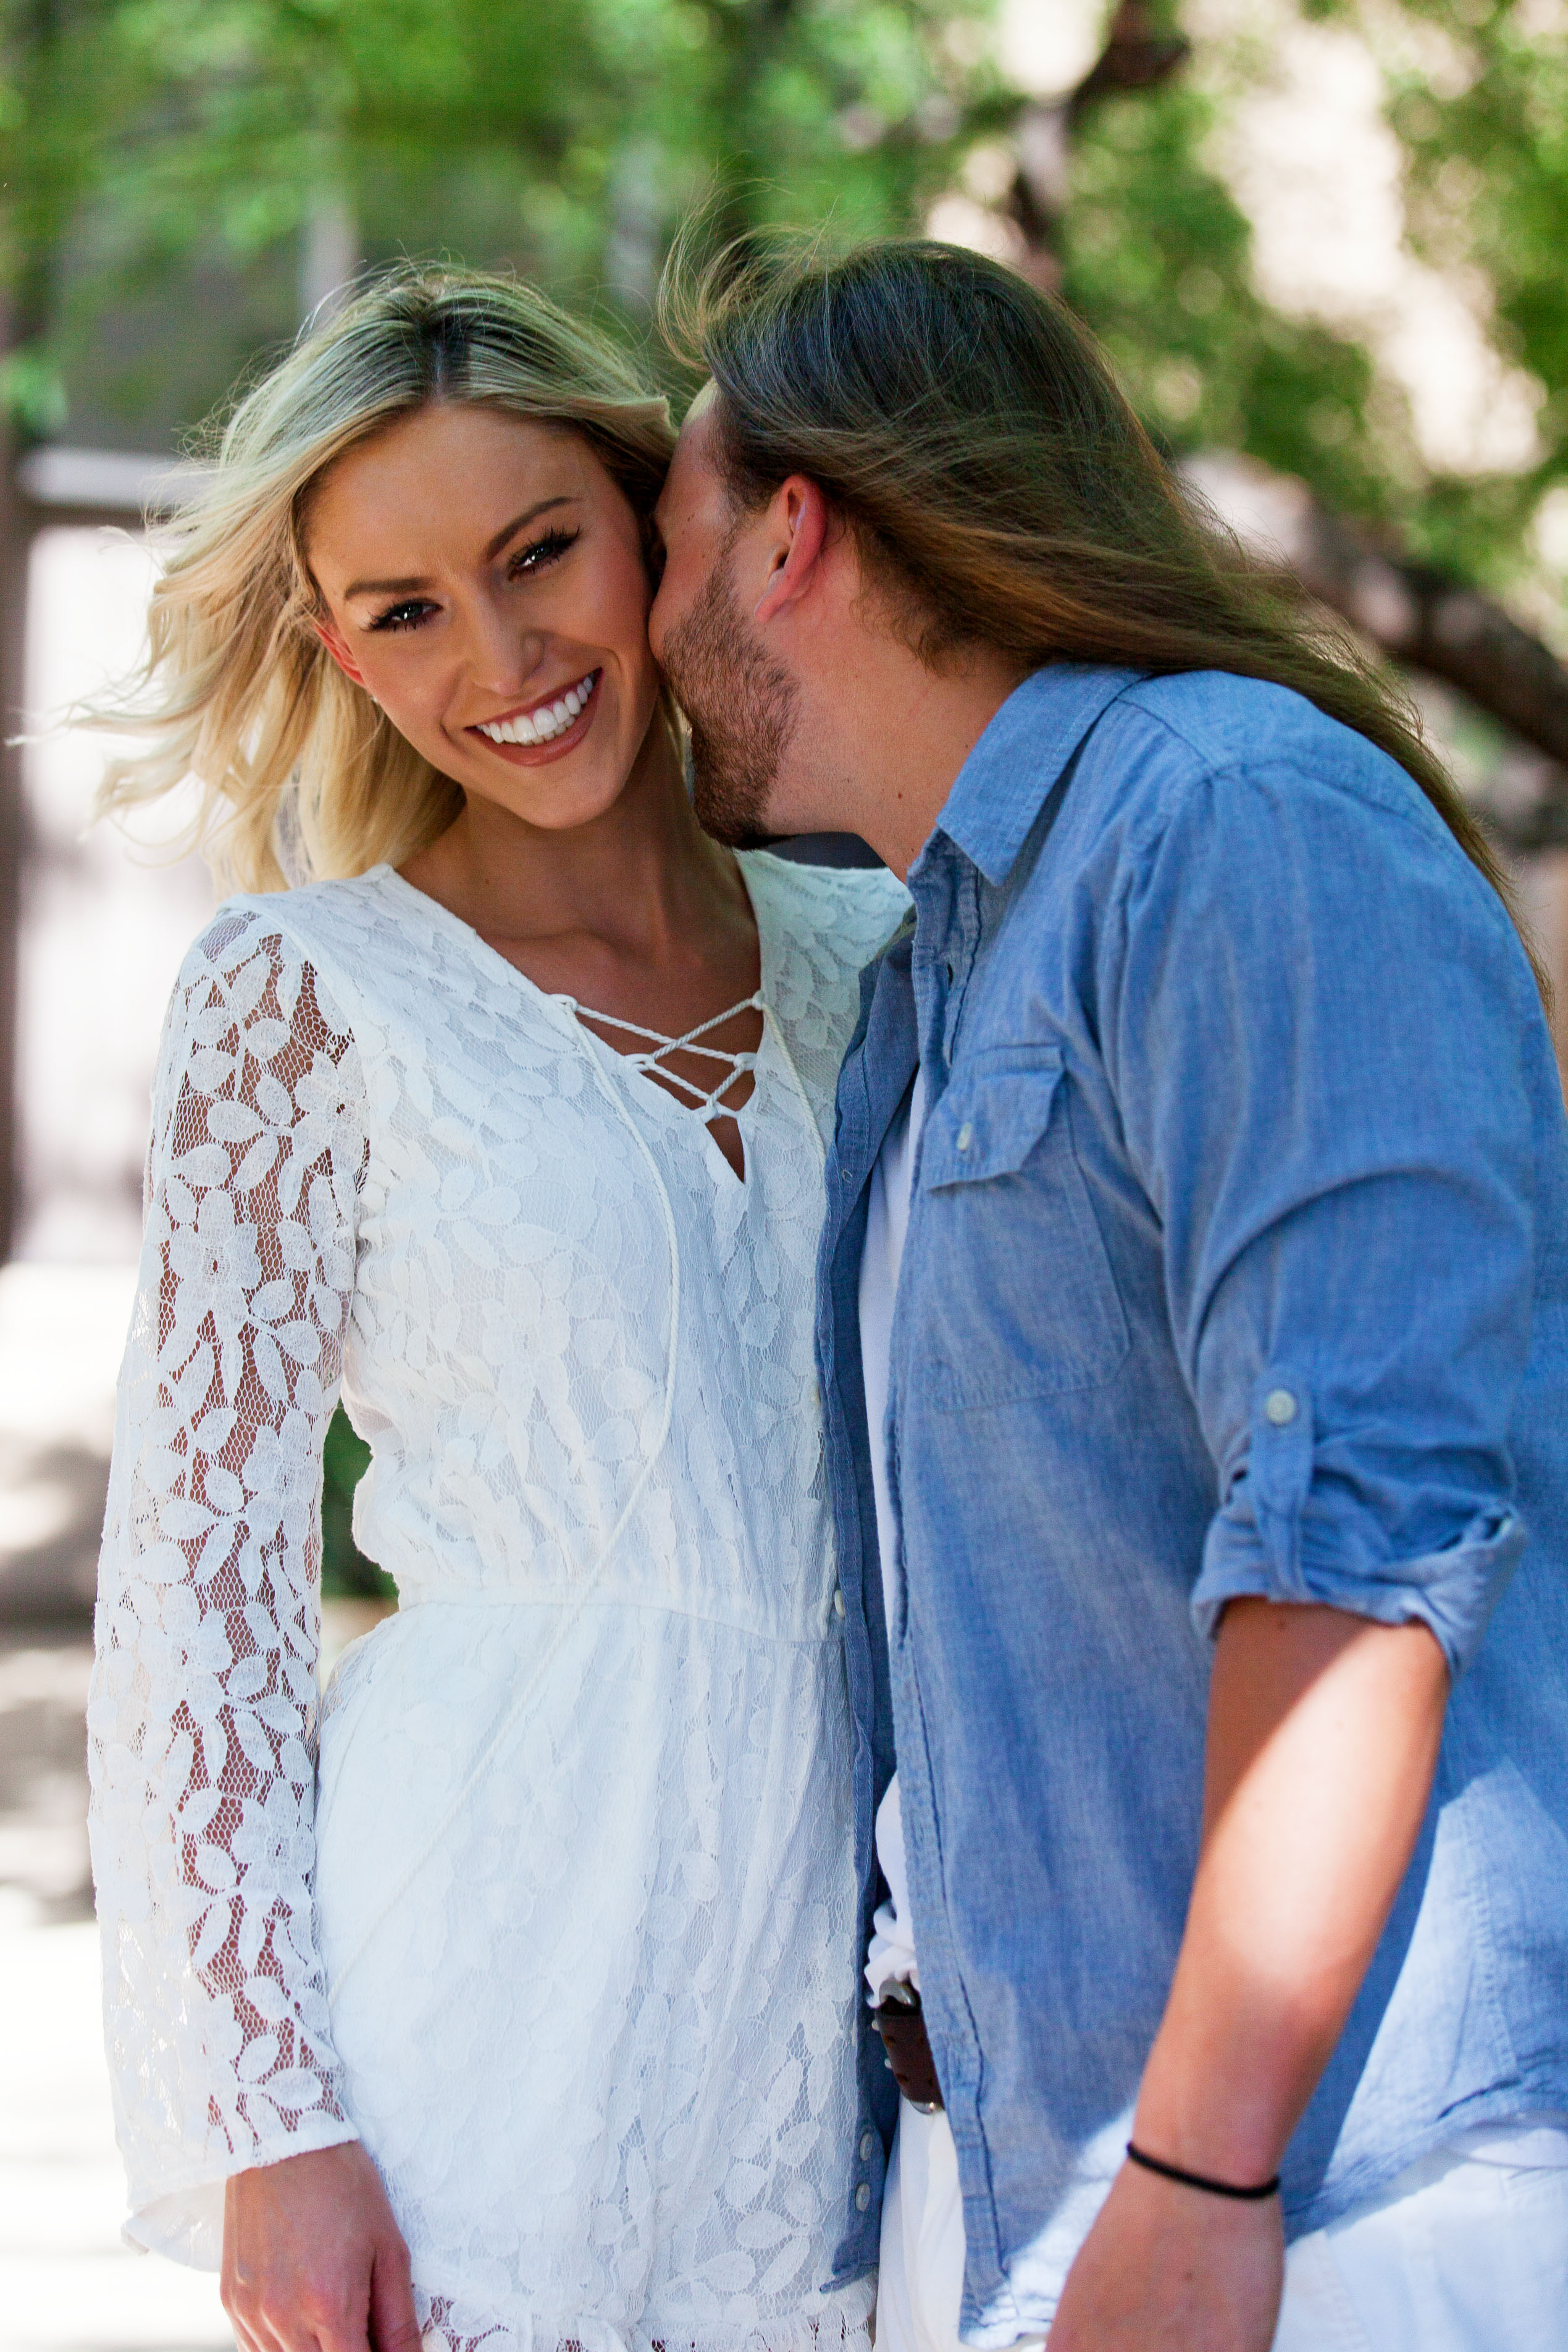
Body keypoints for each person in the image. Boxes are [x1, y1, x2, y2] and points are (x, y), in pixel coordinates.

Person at [647, 235, 1568, 2351]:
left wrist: (1197, 2169)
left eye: (661, 531)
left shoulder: (1230, 819)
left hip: (1339, 2194)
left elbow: (1358, 1545)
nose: (634, 612)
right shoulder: (942, 964)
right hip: (1032, 2178)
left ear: (794, 533)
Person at [85, 266, 908, 2352]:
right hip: (473, 1998)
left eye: (540, 551)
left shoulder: (888, 944)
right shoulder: (300, 1000)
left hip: (835, 2006)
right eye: (406, 608)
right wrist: (268, 2122)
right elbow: (203, 1594)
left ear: (656, 526)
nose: (506, 655)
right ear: (337, 654)